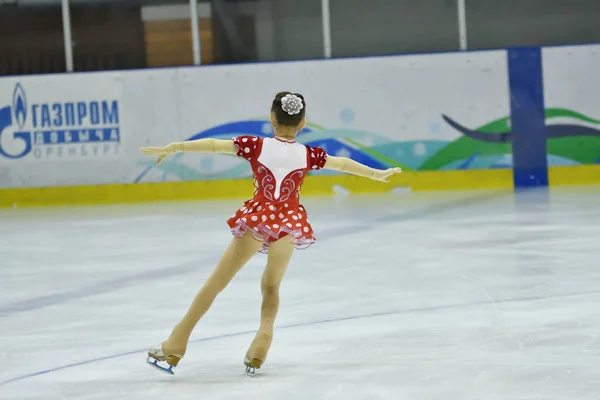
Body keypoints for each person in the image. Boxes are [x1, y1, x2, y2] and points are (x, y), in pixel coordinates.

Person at [140, 91, 402, 376]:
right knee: (271, 286)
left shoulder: (256, 146)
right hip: (289, 223)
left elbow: (215, 146)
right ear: (302, 123)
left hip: (259, 220)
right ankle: (262, 342)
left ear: (272, 118)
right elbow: (343, 164)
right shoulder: (309, 154)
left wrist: (176, 146)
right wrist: (376, 174)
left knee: (216, 282)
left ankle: (176, 344)